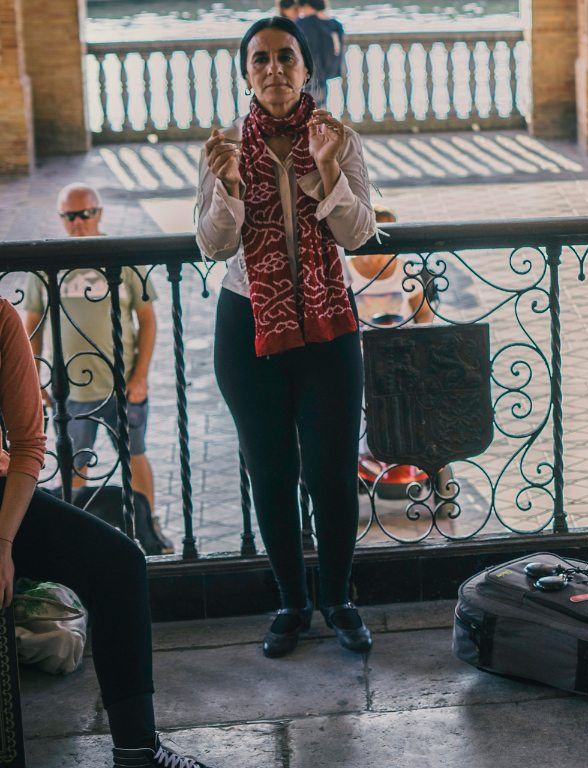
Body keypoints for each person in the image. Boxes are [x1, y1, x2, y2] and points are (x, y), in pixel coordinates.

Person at [196, 16, 376, 659]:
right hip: (248, 323)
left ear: (307, 69)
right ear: (247, 74)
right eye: (260, 60)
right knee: (269, 470)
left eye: (285, 58)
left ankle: (339, 599)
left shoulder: (338, 137)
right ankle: (291, 602)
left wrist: (328, 170)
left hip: (328, 321)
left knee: (331, 473)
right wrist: (230, 187)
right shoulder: (222, 147)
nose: (273, 69)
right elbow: (215, 245)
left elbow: (357, 238)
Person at [0, 298, 217, 767]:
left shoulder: (0, 318)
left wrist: (3, 543)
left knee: (119, 561)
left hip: (1, 495)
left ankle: (137, 749)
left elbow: (28, 446)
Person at [21, 184, 161, 516]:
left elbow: (147, 320)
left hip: (121, 384)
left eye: (86, 213)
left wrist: (140, 376)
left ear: (99, 213)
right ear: (60, 218)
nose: (79, 222)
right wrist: (36, 380)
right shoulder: (47, 263)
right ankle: (77, 534)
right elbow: (33, 327)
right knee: (73, 461)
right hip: (69, 389)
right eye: (70, 216)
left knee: (134, 455)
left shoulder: (122, 258)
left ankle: (148, 526)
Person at [347, 205, 434, 326]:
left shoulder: (405, 268)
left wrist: (419, 338)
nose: (387, 238)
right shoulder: (345, 270)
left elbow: (424, 312)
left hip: (403, 341)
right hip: (362, 343)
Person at [295, 0, 344, 109]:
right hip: (323, 77)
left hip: (307, 78)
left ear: (306, 5)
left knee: (306, 115)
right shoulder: (334, 25)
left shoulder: (305, 23)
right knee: (319, 113)